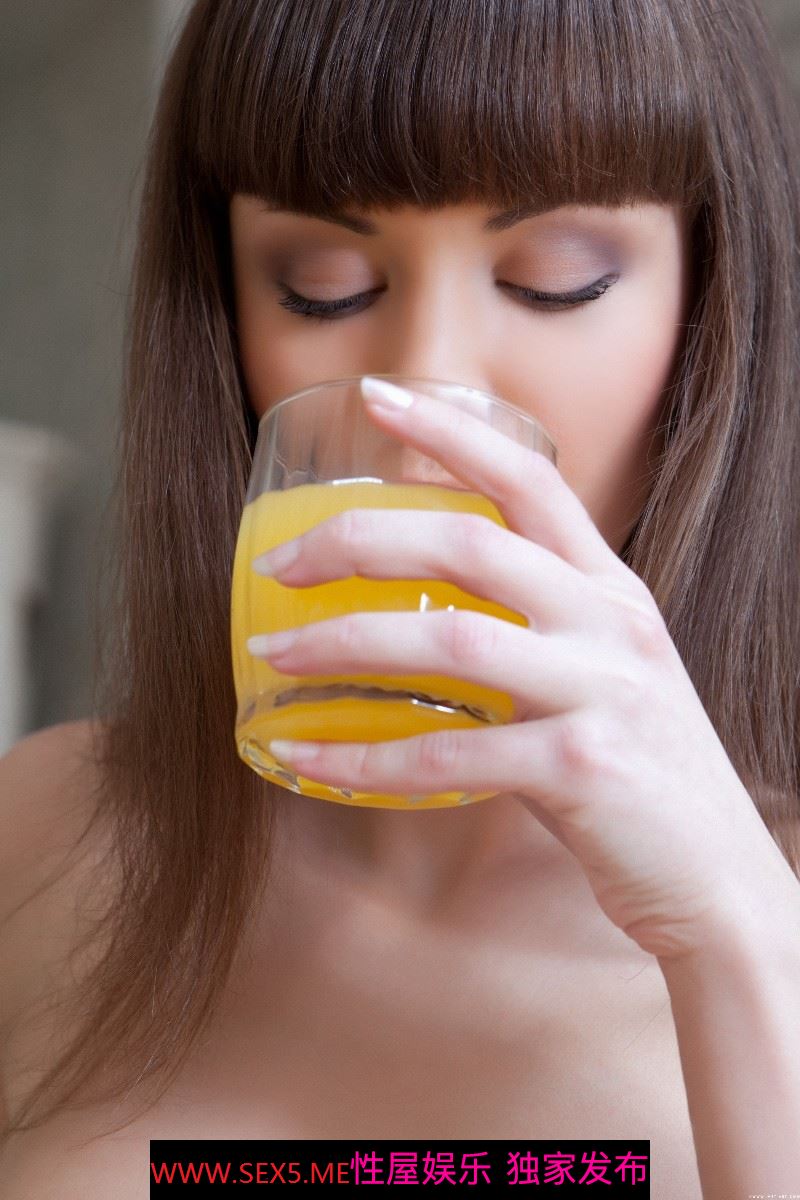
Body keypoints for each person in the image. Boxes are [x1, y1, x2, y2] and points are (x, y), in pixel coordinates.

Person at [2, 0, 800, 1195]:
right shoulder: (43, 837)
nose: (420, 401)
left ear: (708, 298)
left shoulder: (765, 915)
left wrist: (734, 932)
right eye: (320, 286)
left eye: (555, 280)